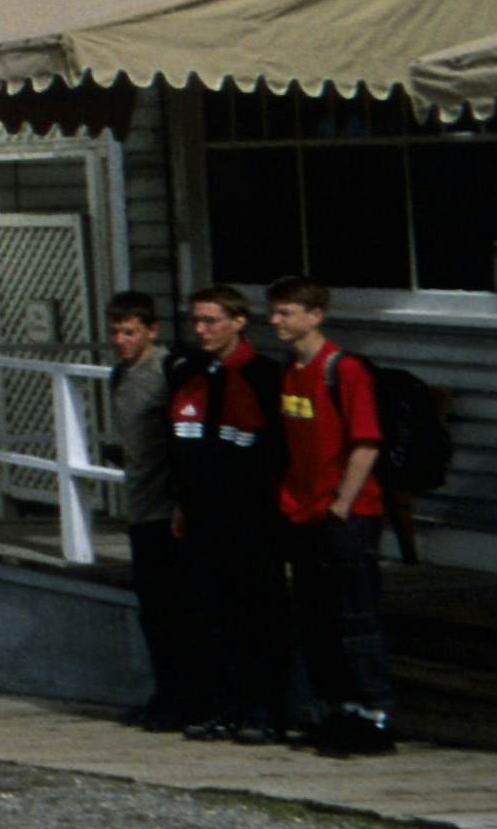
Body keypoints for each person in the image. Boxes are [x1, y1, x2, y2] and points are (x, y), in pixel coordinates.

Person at [266, 279, 402, 757]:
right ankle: (339, 708)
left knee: (355, 615)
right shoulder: (290, 371)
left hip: (345, 511)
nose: (276, 321)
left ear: (315, 315)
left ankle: (375, 712)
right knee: (316, 615)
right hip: (301, 511)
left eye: (286, 313)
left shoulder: (343, 370)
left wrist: (343, 502)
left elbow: (366, 440)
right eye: (274, 312)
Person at [166, 287, 289, 746]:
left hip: (252, 519)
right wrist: (180, 502)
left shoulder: (264, 375)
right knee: (206, 615)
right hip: (201, 515)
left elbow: (278, 451)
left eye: (211, 320)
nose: (201, 329)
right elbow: (179, 447)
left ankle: (263, 710)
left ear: (239, 322)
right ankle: (218, 705)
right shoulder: (187, 373)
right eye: (196, 320)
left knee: (256, 614)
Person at [104, 292, 196, 731]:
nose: (121, 340)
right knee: (154, 610)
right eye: (116, 332)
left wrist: (182, 499)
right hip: (140, 505)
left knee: (177, 608)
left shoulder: (168, 371)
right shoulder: (120, 375)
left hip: (168, 508)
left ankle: (185, 696)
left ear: (151, 330)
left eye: (130, 331)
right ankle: (166, 692)